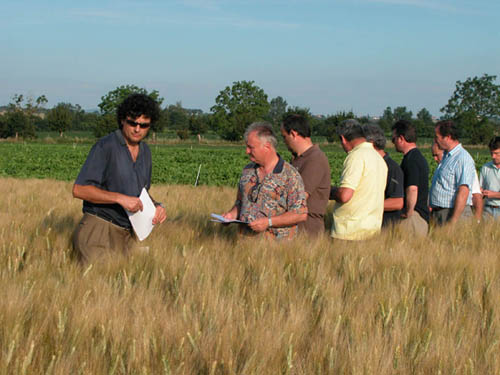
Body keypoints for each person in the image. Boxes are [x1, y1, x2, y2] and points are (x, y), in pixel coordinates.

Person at [72, 93, 166, 263]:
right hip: (98, 231)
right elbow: (79, 189)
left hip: (127, 236)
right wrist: (118, 198)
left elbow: (141, 193)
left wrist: (156, 206)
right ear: (123, 120)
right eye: (133, 123)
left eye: (144, 125)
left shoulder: (145, 152)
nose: (137, 129)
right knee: (98, 286)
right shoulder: (105, 146)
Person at [222, 122, 308, 239]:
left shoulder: (290, 175)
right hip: (244, 247)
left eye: (251, 147)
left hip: (276, 250)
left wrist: (269, 222)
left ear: (267, 147)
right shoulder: (248, 170)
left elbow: (301, 214)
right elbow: (241, 202)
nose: (247, 151)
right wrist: (231, 215)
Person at [330, 119, 387, 240]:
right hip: (373, 229)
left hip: (350, 231)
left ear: (343, 138)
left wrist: (329, 191)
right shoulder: (379, 158)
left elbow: (345, 195)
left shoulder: (356, 156)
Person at [280, 113, 331, 235]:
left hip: (308, 231)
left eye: (284, 136)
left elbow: (299, 197)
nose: (284, 141)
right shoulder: (297, 159)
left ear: (293, 134)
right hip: (294, 230)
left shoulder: (315, 159)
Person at [429, 120, 476, 225]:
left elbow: (463, 191)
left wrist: (453, 221)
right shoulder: (446, 157)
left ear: (448, 137)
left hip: (452, 213)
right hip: (441, 213)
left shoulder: (462, 158)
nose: (435, 140)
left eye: (437, 137)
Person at [391, 120, 430, 236]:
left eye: (394, 139)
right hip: (419, 214)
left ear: (401, 138)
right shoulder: (417, 157)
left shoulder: (411, 160)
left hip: (414, 216)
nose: (393, 143)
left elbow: (412, 188)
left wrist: (408, 212)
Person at [363, 123, 404, 227]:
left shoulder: (392, 168)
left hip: (385, 226)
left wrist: (364, 206)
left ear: (371, 143)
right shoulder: (366, 164)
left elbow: (397, 202)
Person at [432, 142, 483, 221]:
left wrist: (478, 220)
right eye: (433, 155)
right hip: (438, 214)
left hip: (452, 213)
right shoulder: (441, 167)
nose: (435, 159)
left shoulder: (462, 163)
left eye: (437, 155)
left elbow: (476, 195)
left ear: (444, 152)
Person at [480, 136, 500, 219]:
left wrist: (493, 195)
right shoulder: (485, 168)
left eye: (496, 153)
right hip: (487, 211)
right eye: (491, 153)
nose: (493, 156)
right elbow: (480, 188)